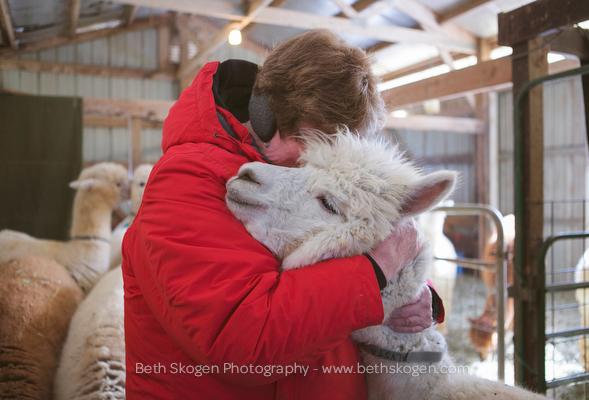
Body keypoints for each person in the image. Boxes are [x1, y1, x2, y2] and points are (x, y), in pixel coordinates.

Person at [122, 29, 443, 399]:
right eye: (308, 141)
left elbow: (344, 244)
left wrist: (413, 297)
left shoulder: (296, 177)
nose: (312, 160)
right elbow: (245, 342)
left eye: (332, 149)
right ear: (264, 112)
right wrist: (376, 272)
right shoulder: (185, 183)